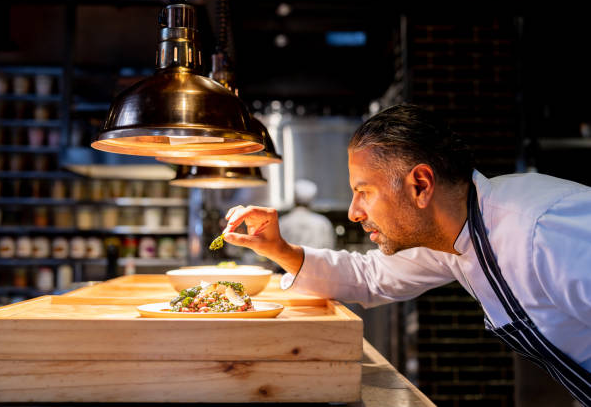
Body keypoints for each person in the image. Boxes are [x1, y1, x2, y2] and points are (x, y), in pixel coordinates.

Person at [221, 104, 591, 405]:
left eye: (364, 191)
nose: (354, 212)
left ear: (420, 185)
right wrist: (278, 248)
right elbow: (370, 277)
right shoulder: (451, 234)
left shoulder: (543, 229)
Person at [279, 179, 336, 249]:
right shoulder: (323, 223)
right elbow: (329, 251)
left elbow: (274, 250)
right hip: (316, 260)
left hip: (285, 260)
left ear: (294, 199)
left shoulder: (282, 222)